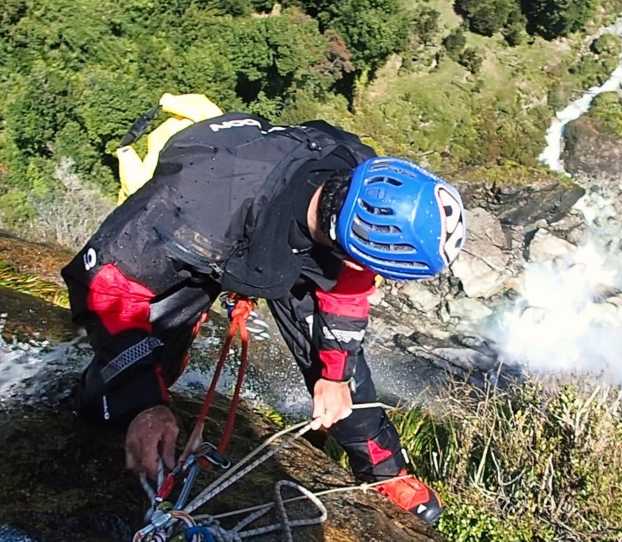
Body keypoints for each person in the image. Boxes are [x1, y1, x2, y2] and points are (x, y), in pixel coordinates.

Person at [61, 112, 466, 525]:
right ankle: (154, 363)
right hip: (211, 237)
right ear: (347, 243)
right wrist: (144, 404)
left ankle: (384, 472)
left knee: (341, 374)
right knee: (115, 401)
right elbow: (106, 288)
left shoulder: (359, 187)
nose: (379, 286)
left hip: (287, 229)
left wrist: (335, 374)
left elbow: (349, 290)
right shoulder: (190, 209)